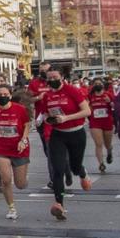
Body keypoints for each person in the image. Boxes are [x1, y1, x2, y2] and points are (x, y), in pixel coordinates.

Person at [36, 66, 91, 222]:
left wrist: (67, 118)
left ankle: (82, 172)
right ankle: (59, 204)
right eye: (49, 78)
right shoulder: (47, 96)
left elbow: (87, 111)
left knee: (74, 166)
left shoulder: (72, 90)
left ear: (62, 77)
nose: (52, 80)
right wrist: (47, 119)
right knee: (58, 169)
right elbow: (46, 114)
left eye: (55, 77)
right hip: (58, 135)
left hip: (76, 132)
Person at [0, 79, 32, 219]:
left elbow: (27, 125)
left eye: (5, 94)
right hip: (1, 148)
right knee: (5, 180)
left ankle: (23, 178)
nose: (3, 96)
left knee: (21, 184)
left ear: (10, 95)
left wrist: (23, 140)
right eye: (0, 94)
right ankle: (11, 208)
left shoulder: (20, 109)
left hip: (19, 148)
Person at [86, 75, 115, 172]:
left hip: (107, 121)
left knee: (107, 144)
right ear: (92, 85)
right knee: (98, 144)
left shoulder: (108, 94)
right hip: (95, 122)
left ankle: (109, 151)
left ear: (103, 85)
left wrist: (110, 102)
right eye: (95, 84)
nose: (97, 85)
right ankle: (101, 164)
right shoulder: (90, 95)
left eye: (99, 84)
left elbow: (115, 106)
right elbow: (86, 108)